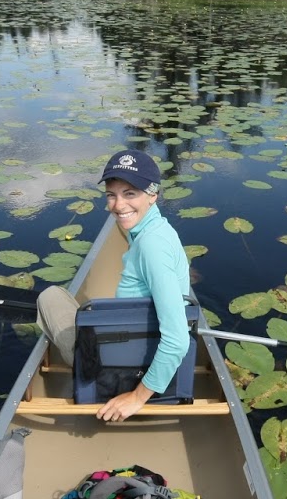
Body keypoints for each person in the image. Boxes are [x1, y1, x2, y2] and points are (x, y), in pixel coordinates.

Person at [37, 149, 192, 423]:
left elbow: (178, 340)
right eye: (112, 194)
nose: (118, 205)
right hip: (131, 349)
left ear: (153, 194)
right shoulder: (161, 231)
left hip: (117, 370)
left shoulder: (151, 246)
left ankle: (86, 374)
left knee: (50, 296)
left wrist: (137, 397)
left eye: (130, 193)